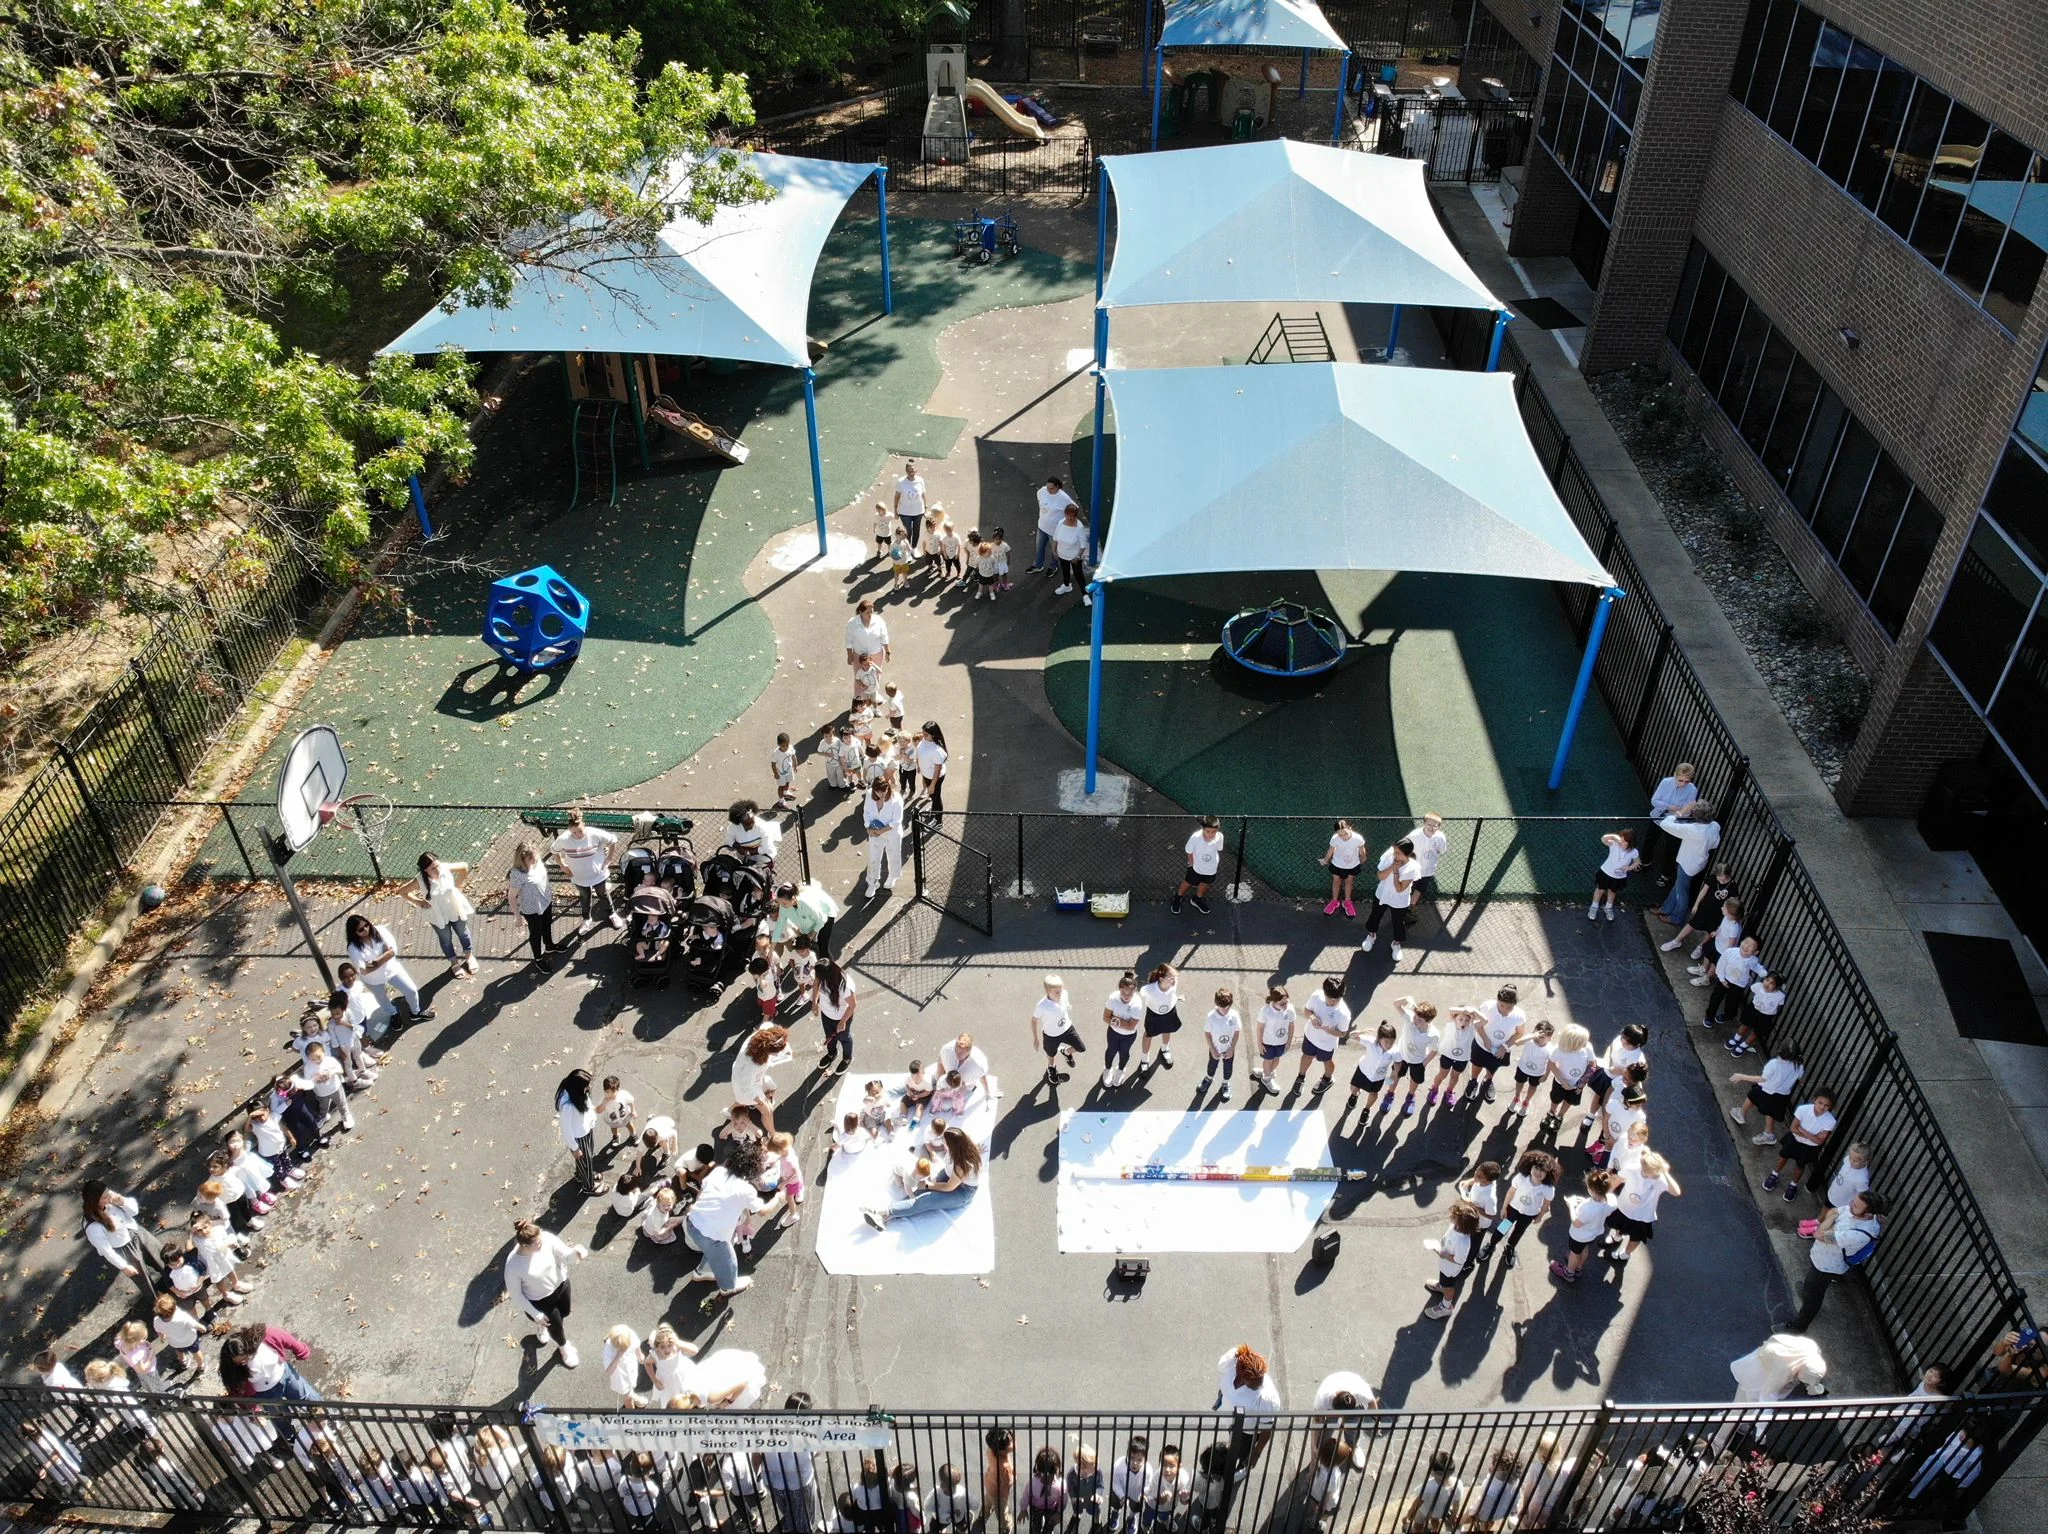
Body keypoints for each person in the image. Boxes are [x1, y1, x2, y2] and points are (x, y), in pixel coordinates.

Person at [685, 1140, 768, 1300]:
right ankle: (728, 1288)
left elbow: (701, 1194)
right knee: (729, 1263)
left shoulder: (719, 1172)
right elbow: (763, 1211)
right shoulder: (746, 1190)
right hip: (714, 1237)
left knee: (711, 1251)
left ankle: (702, 1272)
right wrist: (778, 1198)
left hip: (693, 1224)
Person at [1791, 1191, 1884, 1330]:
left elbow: (1819, 1233)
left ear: (1868, 1214)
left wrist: (1829, 1222)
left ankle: (1798, 1327)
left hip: (1826, 1266)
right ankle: (1806, 1293)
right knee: (1812, 1285)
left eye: (1856, 1206)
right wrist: (1831, 1222)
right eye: (1853, 1201)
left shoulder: (1857, 1234)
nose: (1850, 1206)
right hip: (1821, 1256)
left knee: (1814, 1296)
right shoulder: (1855, 1211)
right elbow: (1833, 1211)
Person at [502, 1219, 589, 1368]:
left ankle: (542, 1326)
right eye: (538, 1243)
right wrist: (536, 1314)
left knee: (564, 1313)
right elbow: (516, 1295)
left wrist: (576, 1253)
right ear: (525, 1246)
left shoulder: (546, 1238)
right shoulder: (513, 1265)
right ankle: (563, 1347)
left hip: (561, 1287)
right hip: (541, 1302)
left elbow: (567, 1256)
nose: (542, 1243)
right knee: (556, 1326)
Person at [864, 1126, 982, 1228]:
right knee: (921, 1191)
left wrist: (928, 1185)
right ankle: (890, 1213)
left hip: (963, 1191)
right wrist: (928, 1185)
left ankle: (882, 1214)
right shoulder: (963, 1143)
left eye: (944, 1140)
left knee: (927, 1200)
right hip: (950, 1175)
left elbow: (948, 1187)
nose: (942, 1141)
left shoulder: (962, 1165)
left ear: (953, 1145)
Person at [81, 1180, 170, 1300]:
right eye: (105, 1197)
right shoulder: (93, 1227)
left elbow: (134, 1211)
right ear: (94, 1201)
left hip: (138, 1233)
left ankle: (176, 1281)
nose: (109, 1198)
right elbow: (106, 1251)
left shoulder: (111, 1198)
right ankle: (158, 1304)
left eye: (108, 1194)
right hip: (125, 1249)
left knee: (161, 1258)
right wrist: (124, 1266)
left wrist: (122, 1201)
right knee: (144, 1280)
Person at [343, 914, 432, 1025]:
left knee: (411, 990)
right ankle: (394, 1014)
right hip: (372, 980)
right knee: (383, 1000)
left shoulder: (379, 931)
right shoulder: (353, 948)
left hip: (392, 970)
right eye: (361, 929)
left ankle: (416, 1012)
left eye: (366, 925)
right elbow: (363, 969)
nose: (366, 929)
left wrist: (374, 963)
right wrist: (384, 956)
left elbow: (393, 951)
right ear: (354, 933)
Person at [1480, 1149, 1560, 1270]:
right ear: (1530, 1166)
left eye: (1542, 1171)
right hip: (1513, 1209)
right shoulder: (1521, 1178)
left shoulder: (1548, 1189)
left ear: (1548, 1173)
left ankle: (1510, 1247)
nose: (1538, 1173)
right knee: (1502, 1228)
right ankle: (1491, 1244)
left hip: (1529, 1214)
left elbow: (1546, 1205)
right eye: (1536, 1168)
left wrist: (1540, 1216)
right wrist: (1504, 1208)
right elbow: (1511, 1192)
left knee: (1519, 1231)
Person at [402, 852, 477, 978]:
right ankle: (454, 962)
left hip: (455, 909)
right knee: (445, 939)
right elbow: (403, 891)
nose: (437, 869)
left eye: (438, 866)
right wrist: (419, 902)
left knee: (463, 933)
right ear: (425, 870)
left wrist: (457, 887)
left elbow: (464, 867)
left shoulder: (445, 868)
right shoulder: (420, 880)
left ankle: (469, 956)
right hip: (437, 915)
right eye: (433, 868)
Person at [550, 808, 624, 936]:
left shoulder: (594, 834)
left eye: (580, 831)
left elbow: (613, 840)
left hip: (598, 875)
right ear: (569, 830)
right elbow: (554, 851)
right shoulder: (563, 839)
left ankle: (612, 914)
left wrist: (609, 858)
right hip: (578, 877)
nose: (578, 835)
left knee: (603, 894)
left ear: (584, 825)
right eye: (574, 832)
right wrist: (562, 866)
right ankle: (586, 919)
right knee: (585, 897)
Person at [1763, 1090, 1837, 1202]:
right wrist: (1813, 1136)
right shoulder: (1803, 1109)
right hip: (1795, 1140)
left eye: (1826, 1105)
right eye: (1820, 1103)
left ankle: (1793, 1184)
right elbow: (1793, 1128)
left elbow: (1819, 1142)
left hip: (1809, 1147)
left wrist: (1802, 1130)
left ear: (1831, 1106)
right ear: (1814, 1100)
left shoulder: (1830, 1121)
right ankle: (1774, 1173)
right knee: (1784, 1157)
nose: (1822, 1107)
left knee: (1800, 1165)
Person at [1213, 1345, 1281, 1468]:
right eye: (1254, 1384)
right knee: (1233, 1441)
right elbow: (1221, 1366)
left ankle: (1240, 1468)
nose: (1260, 1385)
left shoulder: (1267, 1398)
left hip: (1245, 1432)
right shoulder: (1232, 1363)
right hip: (1229, 1415)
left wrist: (1256, 1453)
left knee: (1241, 1453)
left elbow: (1267, 1429)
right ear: (1241, 1375)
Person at [1607, 1149, 1680, 1263]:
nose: (1655, 1175)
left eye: (1656, 1172)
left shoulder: (1660, 1180)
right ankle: (1617, 1237)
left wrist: (1665, 1172)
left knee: (1636, 1237)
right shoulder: (1632, 1169)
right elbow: (1617, 1181)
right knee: (1619, 1225)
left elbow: (1676, 1192)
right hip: (1624, 1208)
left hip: (1642, 1216)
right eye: (1652, 1172)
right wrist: (1608, 1195)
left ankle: (1626, 1253)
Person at [1656, 800, 1721, 926]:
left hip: (1687, 863)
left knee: (1681, 892)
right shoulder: (1715, 826)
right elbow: (1715, 843)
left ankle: (1677, 918)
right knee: (1678, 886)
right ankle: (1666, 908)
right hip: (1699, 861)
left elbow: (1665, 824)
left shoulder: (1692, 829)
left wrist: (1681, 812)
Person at [1549, 1167, 1618, 1284]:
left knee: (1574, 1253)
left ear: (1592, 1190)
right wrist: (1584, 1201)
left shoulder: (1588, 1209)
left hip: (1578, 1236)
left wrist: (1570, 1205)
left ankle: (1569, 1272)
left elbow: (1576, 1223)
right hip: (1592, 1234)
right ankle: (1578, 1267)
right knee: (1584, 1249)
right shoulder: (1610, 1200)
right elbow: (1598, 1203)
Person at [1729, 1043, 1805, 1141]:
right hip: (1782, 1095)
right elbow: (1800, 1077)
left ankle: (1741, 1113)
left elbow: (1762, 1079)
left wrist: (1742, 1076)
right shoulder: (1799, 1065)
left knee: (1751, 1096)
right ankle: (1768, 1134)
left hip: (1767, 1090)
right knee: (1771, 1112)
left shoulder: (1774, 1063)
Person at [1292, 977, 1355, 1096]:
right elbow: (1307, 1010)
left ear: (1341, 996)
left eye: (1335, 1000)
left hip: (1326, 1043)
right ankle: (1301, 1077)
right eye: (1329, 998)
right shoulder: (1316, 996)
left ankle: (1328, 1079)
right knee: (1306, 1056)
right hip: (1310, 1036)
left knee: (1327, 1061)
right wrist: (1312, 1018)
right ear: (1324, 992)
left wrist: (1330, 1031)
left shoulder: (1344, 1013)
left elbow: (1342, 1033)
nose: (1331, 1002)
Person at [1466, 985, 1526, 1107]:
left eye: (1509, 1007)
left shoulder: (1519, 1015)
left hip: (1500, 1050)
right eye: (1502, 1005)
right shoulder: (1487, 1007)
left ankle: (1488, 1081)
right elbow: (1477, 1024)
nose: (1505, 1010)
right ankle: (1473, 1081)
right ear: (1497, 1001)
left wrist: (1505, 1046)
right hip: (1481, 1045)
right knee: (1477, 1064)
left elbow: (1519, 1033)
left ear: (1515, 1004)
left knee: (1493, 1067)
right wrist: (1485, 1039)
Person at [1422, 1203, 1483, 1320]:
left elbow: (1459, 1260)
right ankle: (1442, 1286)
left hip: (1450, 1269)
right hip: (1445, 1265)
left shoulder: (1462, 1242)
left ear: (1462, 1224)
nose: (1451, 1216)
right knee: (1444, 1282)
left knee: (1448, 1287)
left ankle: (1446, 1306)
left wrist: (1443, 1254)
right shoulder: (1455, 1227)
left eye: (1454, 1216)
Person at [1361, 838, 1420, 959]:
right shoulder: (1389, 858)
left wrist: (1396, 872)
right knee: (1375, 916)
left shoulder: (1413, 867)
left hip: (1400, 900)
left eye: (1397, 853)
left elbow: (1399, 889)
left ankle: (1396, 943)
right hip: (1382, 894)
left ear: (1406, 854)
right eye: (1394, 851)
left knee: (1398, 922)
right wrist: (1391, 867)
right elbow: (1380, 876)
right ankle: (1371, 935)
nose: (1394, 854)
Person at [732, 1025, 792, 1132]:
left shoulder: (763, 1035)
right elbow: (747, 1086)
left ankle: (731, 1110)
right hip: (746, 1086)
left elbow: (767, 1025)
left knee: (743, 1101)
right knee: (767, 1110)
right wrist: (760, 1102)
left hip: (748, 1077)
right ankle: (773, 1134)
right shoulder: (753, 1064)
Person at [556, 1068, 606, 1196]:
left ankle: (582, 1174)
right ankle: (588, 1186)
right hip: (579, 1137)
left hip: (586, 1130)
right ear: (577, 1088)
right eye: (586, 1085)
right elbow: (566, 1130)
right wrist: (575, 1148)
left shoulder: (579, 1094)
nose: (588, 1087)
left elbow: (588, 1107)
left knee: (586, 1159)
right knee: (585, 1160)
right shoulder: (568, 1106)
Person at [1646, 762, 1698, 885]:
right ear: (1675, 775)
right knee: (1649, 841)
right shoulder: (1666, 782)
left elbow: (1686, 811)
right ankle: (1644, 861)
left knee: (1671, 849)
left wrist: (1670, 808)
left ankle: (1666, 874)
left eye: (1686, 781)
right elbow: (1654, 801)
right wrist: (1673, 807)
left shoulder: (1692, 789)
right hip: (1659, 817)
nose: (1683, 784)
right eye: (1680, 780)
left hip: (1675, 823)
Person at [1031, 975, 1085, 1085]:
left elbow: (1064, 1004)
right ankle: (1051, 1067)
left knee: (1081, 1048)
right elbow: (1034, 1020)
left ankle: (1066, 1051)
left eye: (1060, 991)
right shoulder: (1042, 1006)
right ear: (1047, 992)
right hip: (1051, 1035)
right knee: (1051, 1054)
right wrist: (1036, 1039)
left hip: (1067, 1029)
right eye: (1056, 992)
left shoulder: (1064, 994)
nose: (1060, 994)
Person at [1703, 936, 1767, 1026]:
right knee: (1716, 998)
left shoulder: (1752, 960)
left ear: (1755, 952)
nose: (1746, 946)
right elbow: (1721, 965)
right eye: (1746, 942)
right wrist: (1721, 979)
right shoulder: (1730, 952)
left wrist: (1763, 972)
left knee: (1733, 1002)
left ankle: (1728, 1015)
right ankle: (1709, 1016)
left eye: (1751, 946)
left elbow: (1756, 966)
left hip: (1739, 984)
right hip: (1725, 979)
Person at [772, 880, 841, 961]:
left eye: (784, 903)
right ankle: (818, 963)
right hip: (812, 917)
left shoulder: (806, 903)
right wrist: (771, 950)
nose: (782, 906)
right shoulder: (784, 906)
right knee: (812, 945)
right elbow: (779, 926)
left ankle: (829, 968)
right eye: (780, 903)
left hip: (825, 914)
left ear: (793, 898)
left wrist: (812, 933)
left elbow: (821, 919)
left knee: (823, 945)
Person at [1171, 815, 1225, 915]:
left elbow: (1218, 849)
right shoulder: (1195, 838)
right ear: (1203, 829)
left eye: (1213, 832)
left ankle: (1197, 899)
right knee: (1188, 882)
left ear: (1217, 830)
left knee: (1204, 884)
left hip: (1211, 869)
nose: (1210, 834)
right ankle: (1177, 897)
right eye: (1208, 831)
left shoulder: (1220, 837)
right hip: (1196, 868)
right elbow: (1189, 851)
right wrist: (1191, 864)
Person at [863, 776, 904, 899]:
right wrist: (868, 828)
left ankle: (892, 877)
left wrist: (880, 831)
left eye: (883, 792)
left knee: (893, 855)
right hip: (874, 833)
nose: (880, 795)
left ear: (888, 788)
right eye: (877, 792)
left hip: (891, 834)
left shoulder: (896, 800)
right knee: (873, 858)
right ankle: (872, 882)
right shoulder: (870, 794)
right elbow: (866, 812)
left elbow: (896, 821)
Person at [1102, 971, 1144, 1089]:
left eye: (1129, 993)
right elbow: (1105, 1017)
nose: (1126, 996)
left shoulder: (1137, 1003)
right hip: (1113, 1033)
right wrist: (1123, 1022)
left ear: (1134, 990)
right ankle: (1107, 1069)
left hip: (1129, 1036)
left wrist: (1115, 1020)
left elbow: (1132, 1026)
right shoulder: (1113, 997)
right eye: (1123, 992)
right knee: (1111, 1051)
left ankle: (1120, 1070)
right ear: (1119, 990)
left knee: (1124, 1053)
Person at [1137, 962, 1182, 1073]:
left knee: (1167, 1030)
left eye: (1174, 978)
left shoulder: (1173, 984)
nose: (1174, 980)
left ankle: (1165, 1049)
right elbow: (1141, 993)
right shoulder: (1149, 989)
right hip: (1154, 1015)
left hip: (1170, 1011)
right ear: (1161, 979)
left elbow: (1172, 995)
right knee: (1148, 1034)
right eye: (1171, 978)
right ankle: (1144, 1059)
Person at [815, 960, 857, 1075]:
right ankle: (832, 1053)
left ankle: (847, 1058)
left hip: (841, 1017)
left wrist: (843, 1022)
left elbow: (853, 1005)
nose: (817, 978)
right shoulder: (822, 976)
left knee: (844, 1038)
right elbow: (816, 983)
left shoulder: (845, 985)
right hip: (826, 1014)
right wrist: (814, 1001)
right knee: (830, 1036)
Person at [1201, 988, 1242, 1102]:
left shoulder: (1234, 1015)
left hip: (1229, 1050)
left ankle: (1225, 1083)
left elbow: (1237, 1032)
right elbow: (1207, 1033)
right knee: (1212, 1065)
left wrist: (1231, 1049)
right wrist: (1212, 1049)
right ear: (1216, 1004)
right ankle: (1209, 1078)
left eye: (1228, 1007)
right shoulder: (1211, 1017)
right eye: (1222, 1007)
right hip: (1215, 1049)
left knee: (1228, 1068)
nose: (1225, 1010)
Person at [1320, 819, 1368, 917]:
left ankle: (1347, 902)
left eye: (1345, 834)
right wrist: (1325, 860)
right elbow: (1330, 851)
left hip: (1352, 865)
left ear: (1349, 828)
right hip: (1337, 864)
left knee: (1348, 882)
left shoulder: (1358, 838)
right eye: (1340, 835)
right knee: (1336, 882)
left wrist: (1363, 857)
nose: (1343, 837)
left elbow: (1362, 850)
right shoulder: (1335, 839)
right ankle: (1334, 901)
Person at [1253, 985, 1296, 1094]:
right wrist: (1259, 1043)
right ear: (1274, 1001)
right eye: (1282, 1003)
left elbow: (1291, 1025)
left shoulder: (1289, 1009)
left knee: (1276, 1059)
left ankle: (1267, 1073)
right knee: (1268, 1060)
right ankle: (1266, 1079)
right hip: (1268, 1042)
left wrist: (1289, 1041)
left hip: (1281, 1042)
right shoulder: (1265, 1011)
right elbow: (1260, 1028)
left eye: (1287, 1002)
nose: (1285, 1005)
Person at [1589, 830, 1639, 921]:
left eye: (1624, 841)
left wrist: (1629, 868)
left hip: (1619, 876)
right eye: (1621, 839)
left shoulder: (1634, 852)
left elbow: (1637, 862)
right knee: (1600, 889)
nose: (1621, 842)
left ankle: (1608, 907)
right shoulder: (1614, 844)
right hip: (1605, 872)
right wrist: (1614, 837)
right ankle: (1594, 907)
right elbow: (1603, 839)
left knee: (1612, 892)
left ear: (1630, 843)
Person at [1033, 476, 1079, 571]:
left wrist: (1066, 521)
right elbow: (1040, 500)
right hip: (1042, 526)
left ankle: (1053, 567)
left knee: (1054, 551)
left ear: (1057, 487)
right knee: (1039, 548)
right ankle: (1038, 565)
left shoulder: (1064, 498)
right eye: (1048, 487)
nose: (1049, 490)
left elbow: (1074, 508)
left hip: (1054, 531)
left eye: (1051, 488)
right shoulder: (1042, 491)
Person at [1051, 504, 1091, 599]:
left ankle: (1085, 595)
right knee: (1065, 571)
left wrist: (1078, 557)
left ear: (1075, 516)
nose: (1069, 518)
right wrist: (1054, 551)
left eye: (1072, 516)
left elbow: (1083, 545)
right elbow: (1055, 538)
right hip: (1062, 554)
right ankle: (1066, 585)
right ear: (1065, 514)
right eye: (1068, 515)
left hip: (1074, 556)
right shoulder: (1060, 523)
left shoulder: (1079, 527)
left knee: (1078, 575)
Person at [846, 598, 893, 673]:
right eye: (867, 612)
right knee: (860, 679)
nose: (870, 614)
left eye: (871, 611)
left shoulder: (879, 621)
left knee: (875, 678)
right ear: (861, 612)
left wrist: (887, 652)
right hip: (859, 656)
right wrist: (850, 655)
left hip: (876, 654)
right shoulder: (852, 623)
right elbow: (849, 640)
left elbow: (884, 637)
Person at [893, 460, 928, 550]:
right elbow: (897, 496)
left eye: (912, 471)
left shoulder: (920, 480)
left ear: (916, 470)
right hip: (905, 512)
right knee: (908, 531)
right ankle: (907, 550)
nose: (911, 473)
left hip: (918, 511)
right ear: (906, 471)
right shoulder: (901, 482)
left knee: (916, 531)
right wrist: (895, 510)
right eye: (908, 471)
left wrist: (925, 508)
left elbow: (923, 495)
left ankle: (914, 548)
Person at [916, 722, 950, 814]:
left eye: (926, 734)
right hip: (927, 775)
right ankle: (934, 810)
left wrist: (932, 785)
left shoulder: (937, 751)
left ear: (933, 735)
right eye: (923, 733)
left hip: (934, 778)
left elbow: (937, 770)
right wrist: (919, 765)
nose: (923, 736)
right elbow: (920, 753)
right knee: (933, 796)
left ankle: (938, 820)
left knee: (936, 798)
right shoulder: (925, 741)